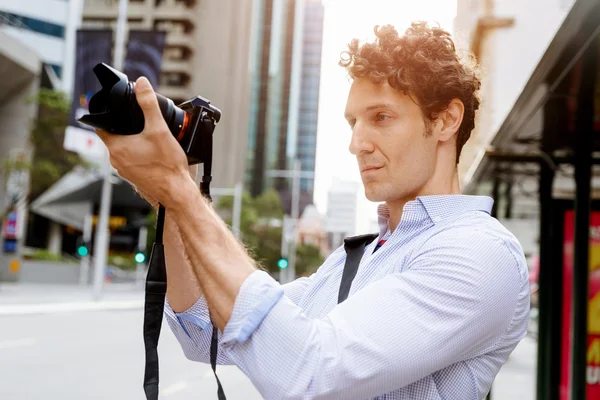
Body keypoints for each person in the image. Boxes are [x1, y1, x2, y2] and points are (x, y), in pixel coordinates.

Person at [97, 21, 530, 400]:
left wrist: (180, 192)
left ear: (445, 120)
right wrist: (170, 198)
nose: (357, 142)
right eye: (352, 122)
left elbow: (310, 373)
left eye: (380, 117)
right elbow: (205, 330)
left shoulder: (479, 252)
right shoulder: (356, 257)